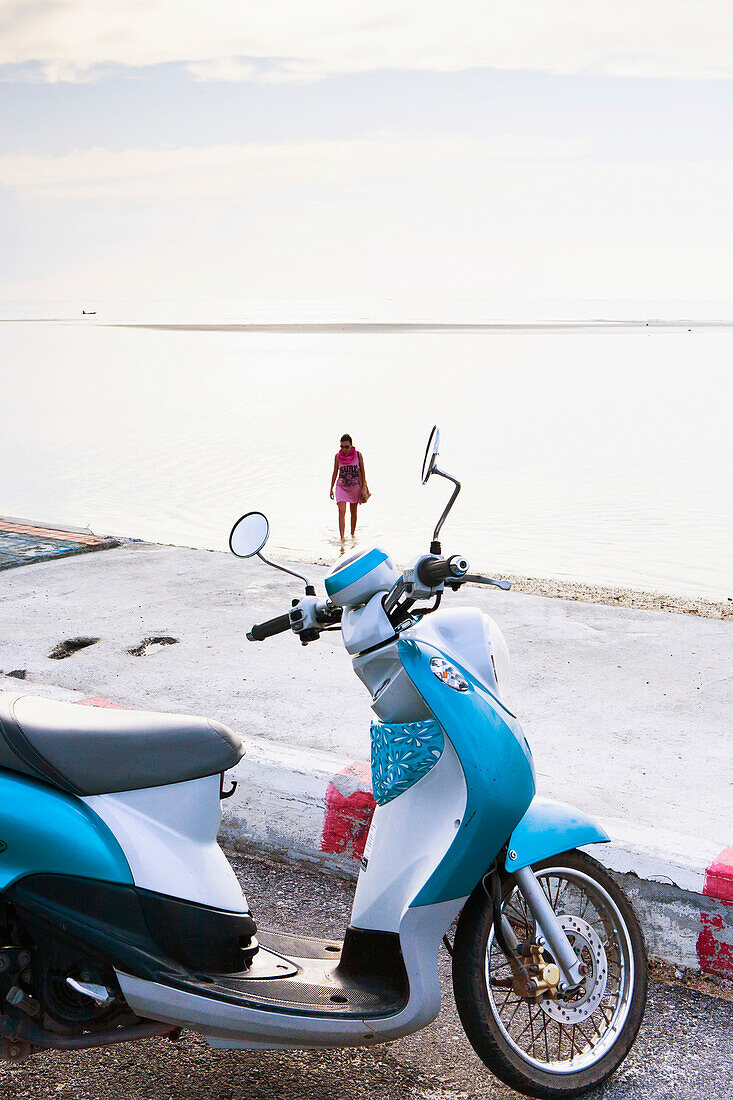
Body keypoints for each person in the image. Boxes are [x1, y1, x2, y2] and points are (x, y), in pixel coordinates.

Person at [330, 434, 369, 541]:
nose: (344, 449)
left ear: (351, 446)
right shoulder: (337, 456)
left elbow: (363, 471)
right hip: (341, 486)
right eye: (342, 447)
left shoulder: (358, 455)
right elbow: (335, 472)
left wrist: (364, 487)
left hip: (355, 486)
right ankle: (342, 539)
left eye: (346, 447)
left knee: (353, 512)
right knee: (341, 511)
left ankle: (352, 535)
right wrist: (331, 488)